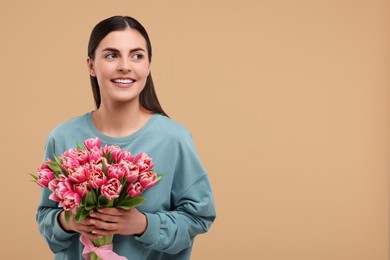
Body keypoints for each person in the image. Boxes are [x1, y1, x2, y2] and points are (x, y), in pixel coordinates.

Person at [36, 15, 216, 260]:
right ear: (91, 65)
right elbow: (45, 216)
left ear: (148, 65)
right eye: (111, 55)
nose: (125, 66)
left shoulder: (174, 139)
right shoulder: (63, 137)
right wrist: (69, 219)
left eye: (137, 55)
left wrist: (142, 224)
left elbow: (198, 217)